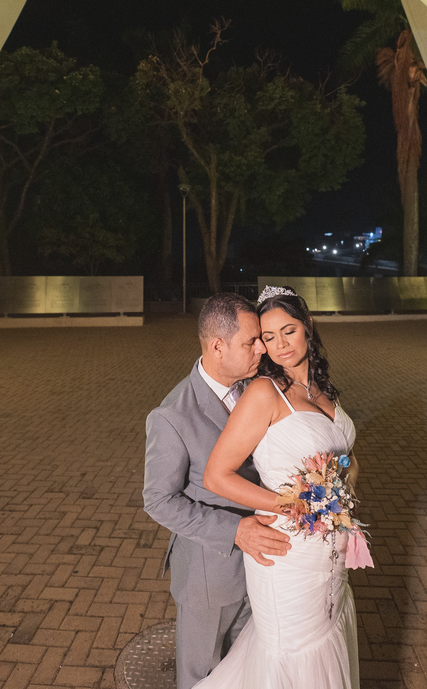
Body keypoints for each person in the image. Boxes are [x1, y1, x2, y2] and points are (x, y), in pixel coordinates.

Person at [196, 286, 364, 689]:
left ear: (308, 327)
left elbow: (349, 458)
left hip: (329, 556)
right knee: (290, 658)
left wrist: (338, 494)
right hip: (285, 554)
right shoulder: (263, 393)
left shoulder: (323, 390)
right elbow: (216, 476)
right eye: (267, 338)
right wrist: (294, 505)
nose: (279, 345)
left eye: (288, 331)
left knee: (324, 643)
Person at [144, 292, 294, 689]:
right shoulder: (171, 416)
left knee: (246, 668)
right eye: (251, 342)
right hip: (210, 577)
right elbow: (158, 500)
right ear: (217, 346)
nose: (262, 348)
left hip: (263, 565)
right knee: (202, 677)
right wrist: (235, 531)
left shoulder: (257, 388)